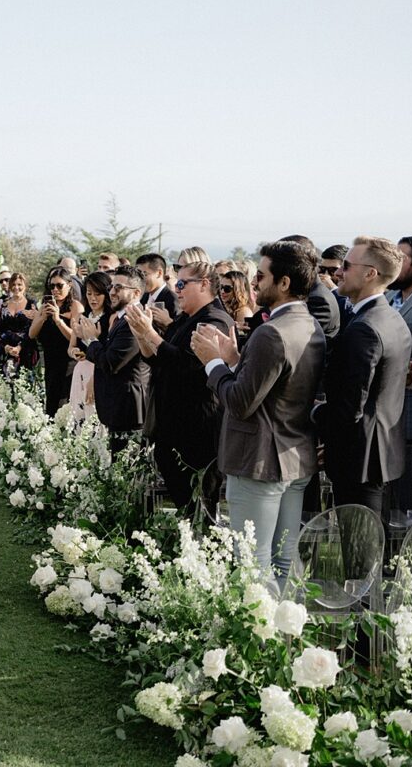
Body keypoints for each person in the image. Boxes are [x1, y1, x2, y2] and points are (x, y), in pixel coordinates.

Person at [192, 240, 325, 581]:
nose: (254, 284)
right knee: (283, 562)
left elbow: (239, 402)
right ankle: (283, 630)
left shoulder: (271, 332)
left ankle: (260, 634)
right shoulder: (311, 325)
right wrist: (236, 361)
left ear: (284, 283)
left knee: (254, 564)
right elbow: (276, 387)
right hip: (295, 457)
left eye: (261, 276)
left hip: (260, 461)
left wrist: (214, 364)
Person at [314, 236, 410, 519]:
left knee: (362, 553)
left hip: (360, 460)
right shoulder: (392, 319)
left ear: (371, 273)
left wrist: (315, 412)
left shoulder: (365, 328)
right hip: (380, 454)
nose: (338, 273)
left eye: (346, 265)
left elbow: (350, 407)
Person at [126, 262, 233, 516]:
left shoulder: (214, 320)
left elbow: (187, 364)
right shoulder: (186, 318)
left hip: (196, 430)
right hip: (171, 427)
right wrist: (141, 334)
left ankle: (202, 552)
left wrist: (151, 333)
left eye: (183, 284)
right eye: (176, 284)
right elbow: (157, 359)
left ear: (205, 284)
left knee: (199, 507)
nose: (177, 290)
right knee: (184, 503)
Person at [73, 265, 150, 453]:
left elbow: (111, 362)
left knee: (127, 470)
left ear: (136, 293)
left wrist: (91, 339)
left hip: (129, 407)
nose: (112, 292)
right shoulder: (120, 318)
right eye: (111, 287)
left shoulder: (134, 320)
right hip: (116, 405)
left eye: (118, 288)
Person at [391, 236, 412, 509]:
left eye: (401, 259)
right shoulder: (387, 297)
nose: (394, 264)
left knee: (410, 506)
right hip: (385, 416)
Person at [29, 267, 77, 416]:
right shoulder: (45, 305)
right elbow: (31, 334)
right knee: (51, 407)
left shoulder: (75, 306)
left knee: (66, 406)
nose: (55, 290)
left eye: (59, 285)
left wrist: (58, 320)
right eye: (51, 286)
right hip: (50, 362)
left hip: (69, 364)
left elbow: (74, 338)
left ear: (69, 285)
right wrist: (42, 317)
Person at [67, 271, 112, 420]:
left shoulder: (110, 318)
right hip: (80, 369)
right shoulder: (81, 316)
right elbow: (71, 347)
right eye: (89, 293)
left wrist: (94, 337)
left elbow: (108, 353)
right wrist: (74, 352)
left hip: (98, 371)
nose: (93, 298)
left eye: (97, 294)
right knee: (78, 416)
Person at [0, 272, 39, 379]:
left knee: (24, 387)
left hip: (25, 351)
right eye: (13, 284)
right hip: (5, 352)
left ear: (25, 286)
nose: (16, 287)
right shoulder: (3, 305)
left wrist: (19, 347)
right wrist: (6, 347)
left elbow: (33, 329)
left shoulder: (31, 304)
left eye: (19, 284)